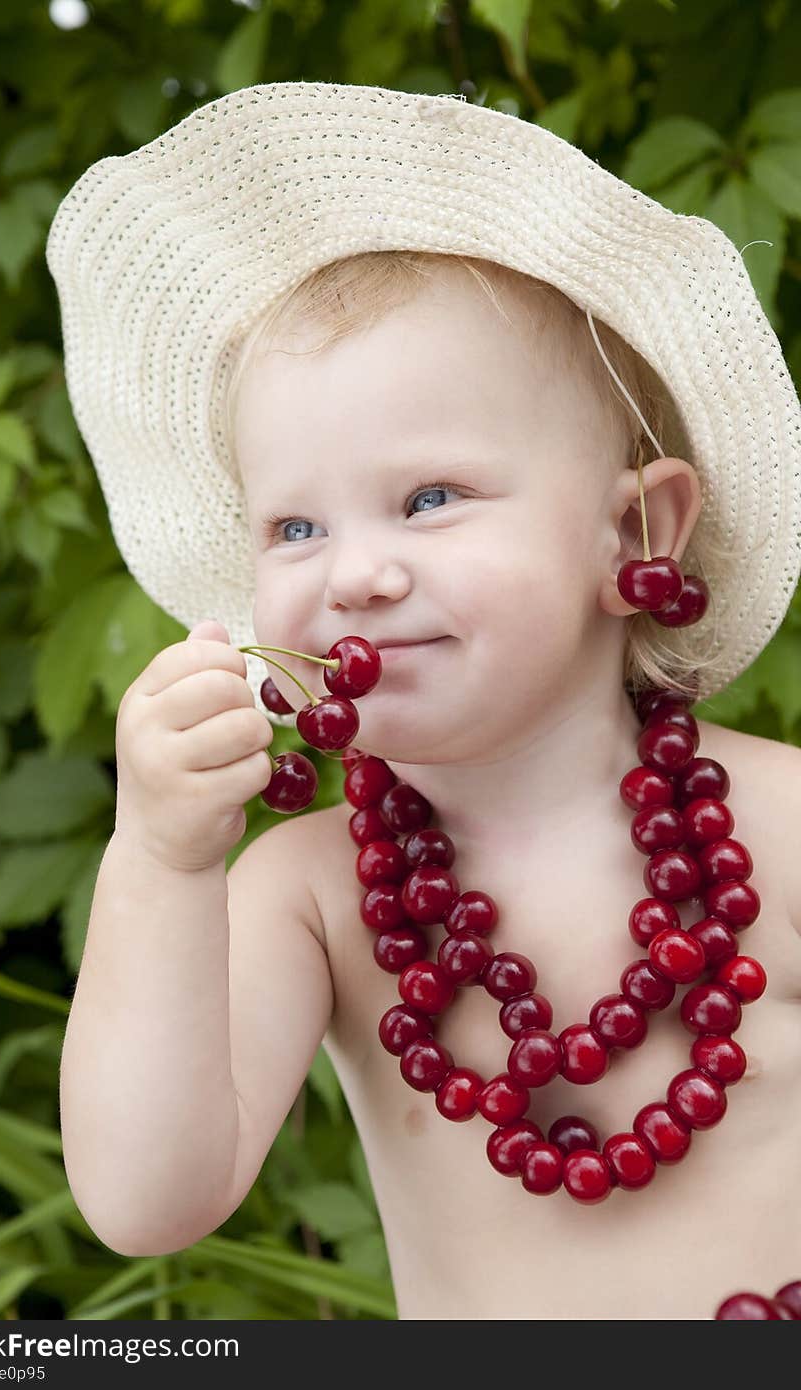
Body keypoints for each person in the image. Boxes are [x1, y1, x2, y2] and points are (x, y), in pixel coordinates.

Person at [45, 82, 801, 1320]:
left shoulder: (775, 829)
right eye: (294, 525)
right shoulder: (314, 897)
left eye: (430, 496)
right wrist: (161, 863)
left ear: (633, 532)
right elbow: (145, 1201)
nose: (355, 572)